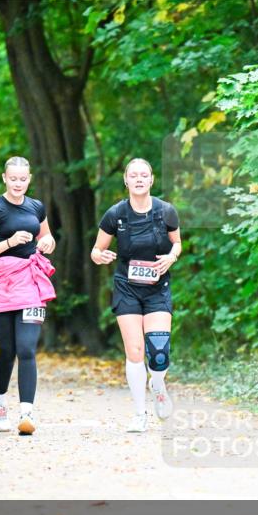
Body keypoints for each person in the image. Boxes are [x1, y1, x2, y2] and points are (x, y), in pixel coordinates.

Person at [90, 158, 182, 432]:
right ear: (126, 180)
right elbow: (96, 250)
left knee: (159, 354)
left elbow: (177, 243)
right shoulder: (115, 214)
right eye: (134, 175)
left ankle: (157, 383)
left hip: (157, 287)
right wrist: (100, 256)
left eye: (144, 175)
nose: (139, 179)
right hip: (127, 287)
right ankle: (139, 413)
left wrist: (171, 257)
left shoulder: (166, 211)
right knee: (134, 350)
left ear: (152, 180)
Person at [0, 156, 56, 435]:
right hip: (0, 283)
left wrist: (46, 242)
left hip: (30, 281)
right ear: (5, 178)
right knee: (7, 351)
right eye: (13, 178)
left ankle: (27, 414)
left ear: (29, 179)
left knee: (27, 349)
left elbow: (48, 239)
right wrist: (8, 242)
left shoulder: (36, 207)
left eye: (23, 179)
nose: (18, 183)